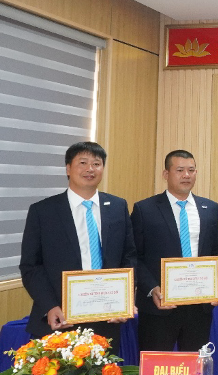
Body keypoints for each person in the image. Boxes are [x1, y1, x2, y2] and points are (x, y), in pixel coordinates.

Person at [19, 142, 136, 344]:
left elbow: (129, 256)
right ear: (68, 168)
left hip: (108, 318)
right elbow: (31, 266)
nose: (90, 169)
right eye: (83, 163)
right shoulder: (43, 211)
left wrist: (125, 300)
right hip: (60, 319)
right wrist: (50, 306)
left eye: (96, 164)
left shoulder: (118, 206)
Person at [131, 150, 218, 352]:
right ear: (166, 174)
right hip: (159, 306)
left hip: (199, 305)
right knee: (156, 367)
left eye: (191, 170)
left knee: (195, 365)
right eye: (180, 170)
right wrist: (152, 288)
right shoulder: (144, 209)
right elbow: (134, 256)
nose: (186, 175)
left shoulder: (210, 208)